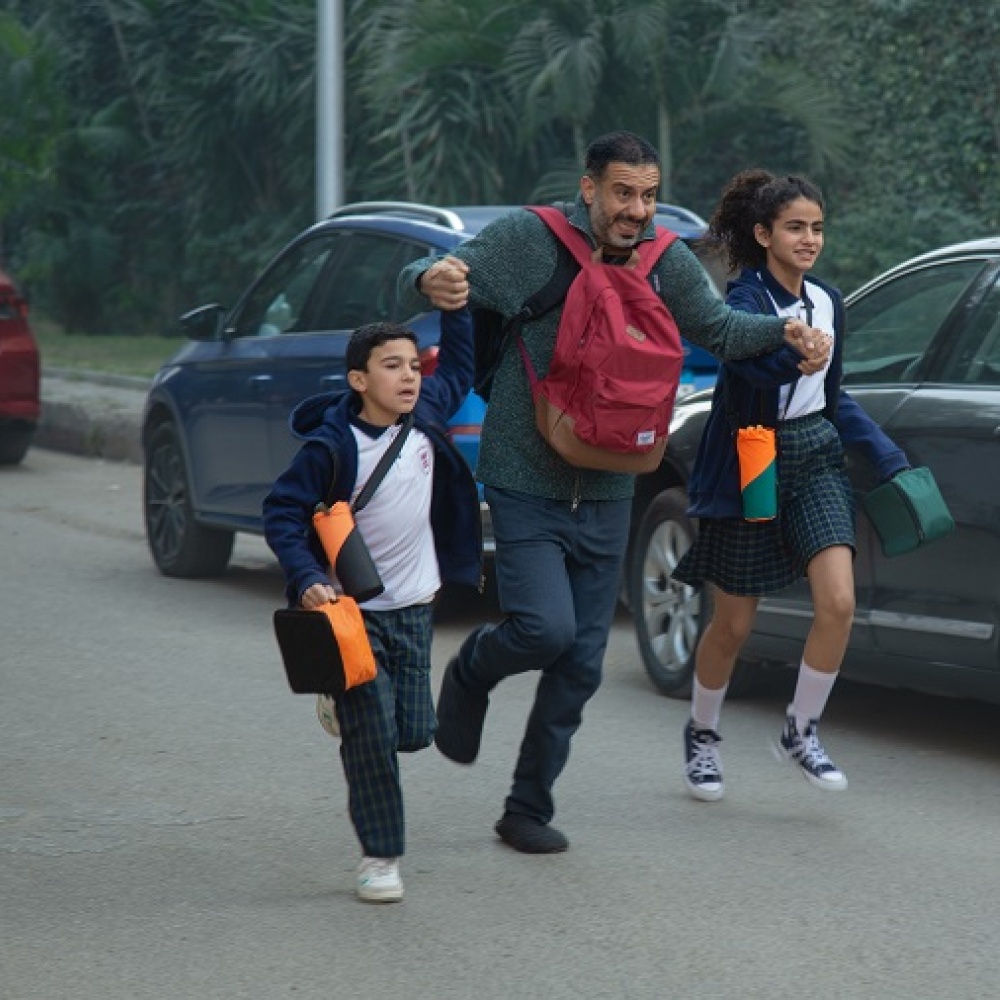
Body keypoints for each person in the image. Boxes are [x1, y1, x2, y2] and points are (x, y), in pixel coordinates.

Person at [396, 132, 831, 855]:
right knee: (545, 631)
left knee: (582, 664)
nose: (637, 209)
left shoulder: (665, 259)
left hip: (611, 480)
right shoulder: (531, 240)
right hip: (524, 471)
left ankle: (526, 808)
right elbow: (433, 273)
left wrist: (786, 332)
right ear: (589, 187)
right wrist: (427, 279)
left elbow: (720, 329)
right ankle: (472, 669)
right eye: (623, 193)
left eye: (649, 195)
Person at [673, 170, 910, 802]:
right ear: (764, 234)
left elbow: (833, 396)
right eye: (795, 228)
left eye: (817, 228)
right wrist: (793, 353)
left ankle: (801, 730)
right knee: (733, 624)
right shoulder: (746, 299)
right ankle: (702, 733)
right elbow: (750, 368)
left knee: (839, 602)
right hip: (751, 460)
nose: (809, 239)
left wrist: (888, 458)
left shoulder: (829, 300)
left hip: (816, 456)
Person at [263, 288, 481, 902]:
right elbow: (282, 511)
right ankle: (380, 857)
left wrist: (456, 308)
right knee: (374, 737)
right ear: (358, 379)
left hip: (415, 607)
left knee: (412, 731)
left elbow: (459, 366)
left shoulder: (427, 413)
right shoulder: (331, 447)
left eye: (413, 365)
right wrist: (306, 577)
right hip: (352, 617)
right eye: (392, 366)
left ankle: (341, 706)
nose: (409, 376)